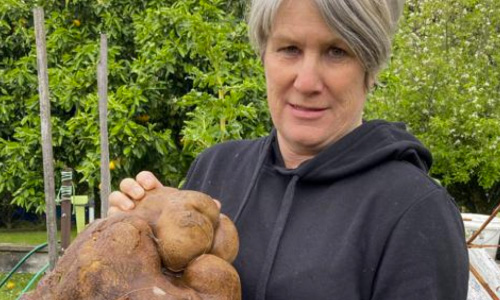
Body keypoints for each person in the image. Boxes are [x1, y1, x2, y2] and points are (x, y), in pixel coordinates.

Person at [109, 0, 469, 299]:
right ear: (264, 55)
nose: (307, 81)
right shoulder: (216, 167)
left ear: (370, 69)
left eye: (336, 51)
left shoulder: (415, 212)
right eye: (290, 49)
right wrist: (128, 242)